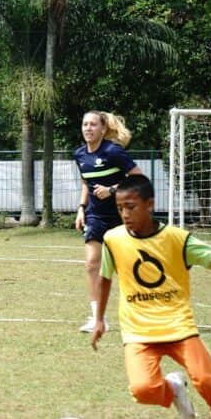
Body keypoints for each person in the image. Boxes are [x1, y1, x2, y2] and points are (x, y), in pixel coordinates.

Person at [91, 174, 211, 419]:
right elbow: (104, 278)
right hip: (138, 331)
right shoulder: (113, 240)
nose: (125, 214)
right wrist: (98, 318)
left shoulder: (176, 239)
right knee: (142, 389)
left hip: (178, 326)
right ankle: (173, 389)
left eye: (131, 206)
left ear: (149, 205)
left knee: (208, 381)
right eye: (120, 208)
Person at [74, 111, 143, 333]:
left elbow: (139, 179)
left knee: (129, 267)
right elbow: (86, 183)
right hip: (95, 216)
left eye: (93, 124)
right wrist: (81, 209)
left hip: (122, 215)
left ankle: (141, 313)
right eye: (85, 124)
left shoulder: (114, 152)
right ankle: (97, 317)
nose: (88, 128)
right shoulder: (80, 155)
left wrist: (112, 190)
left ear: (103, 129)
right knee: (92, 263)